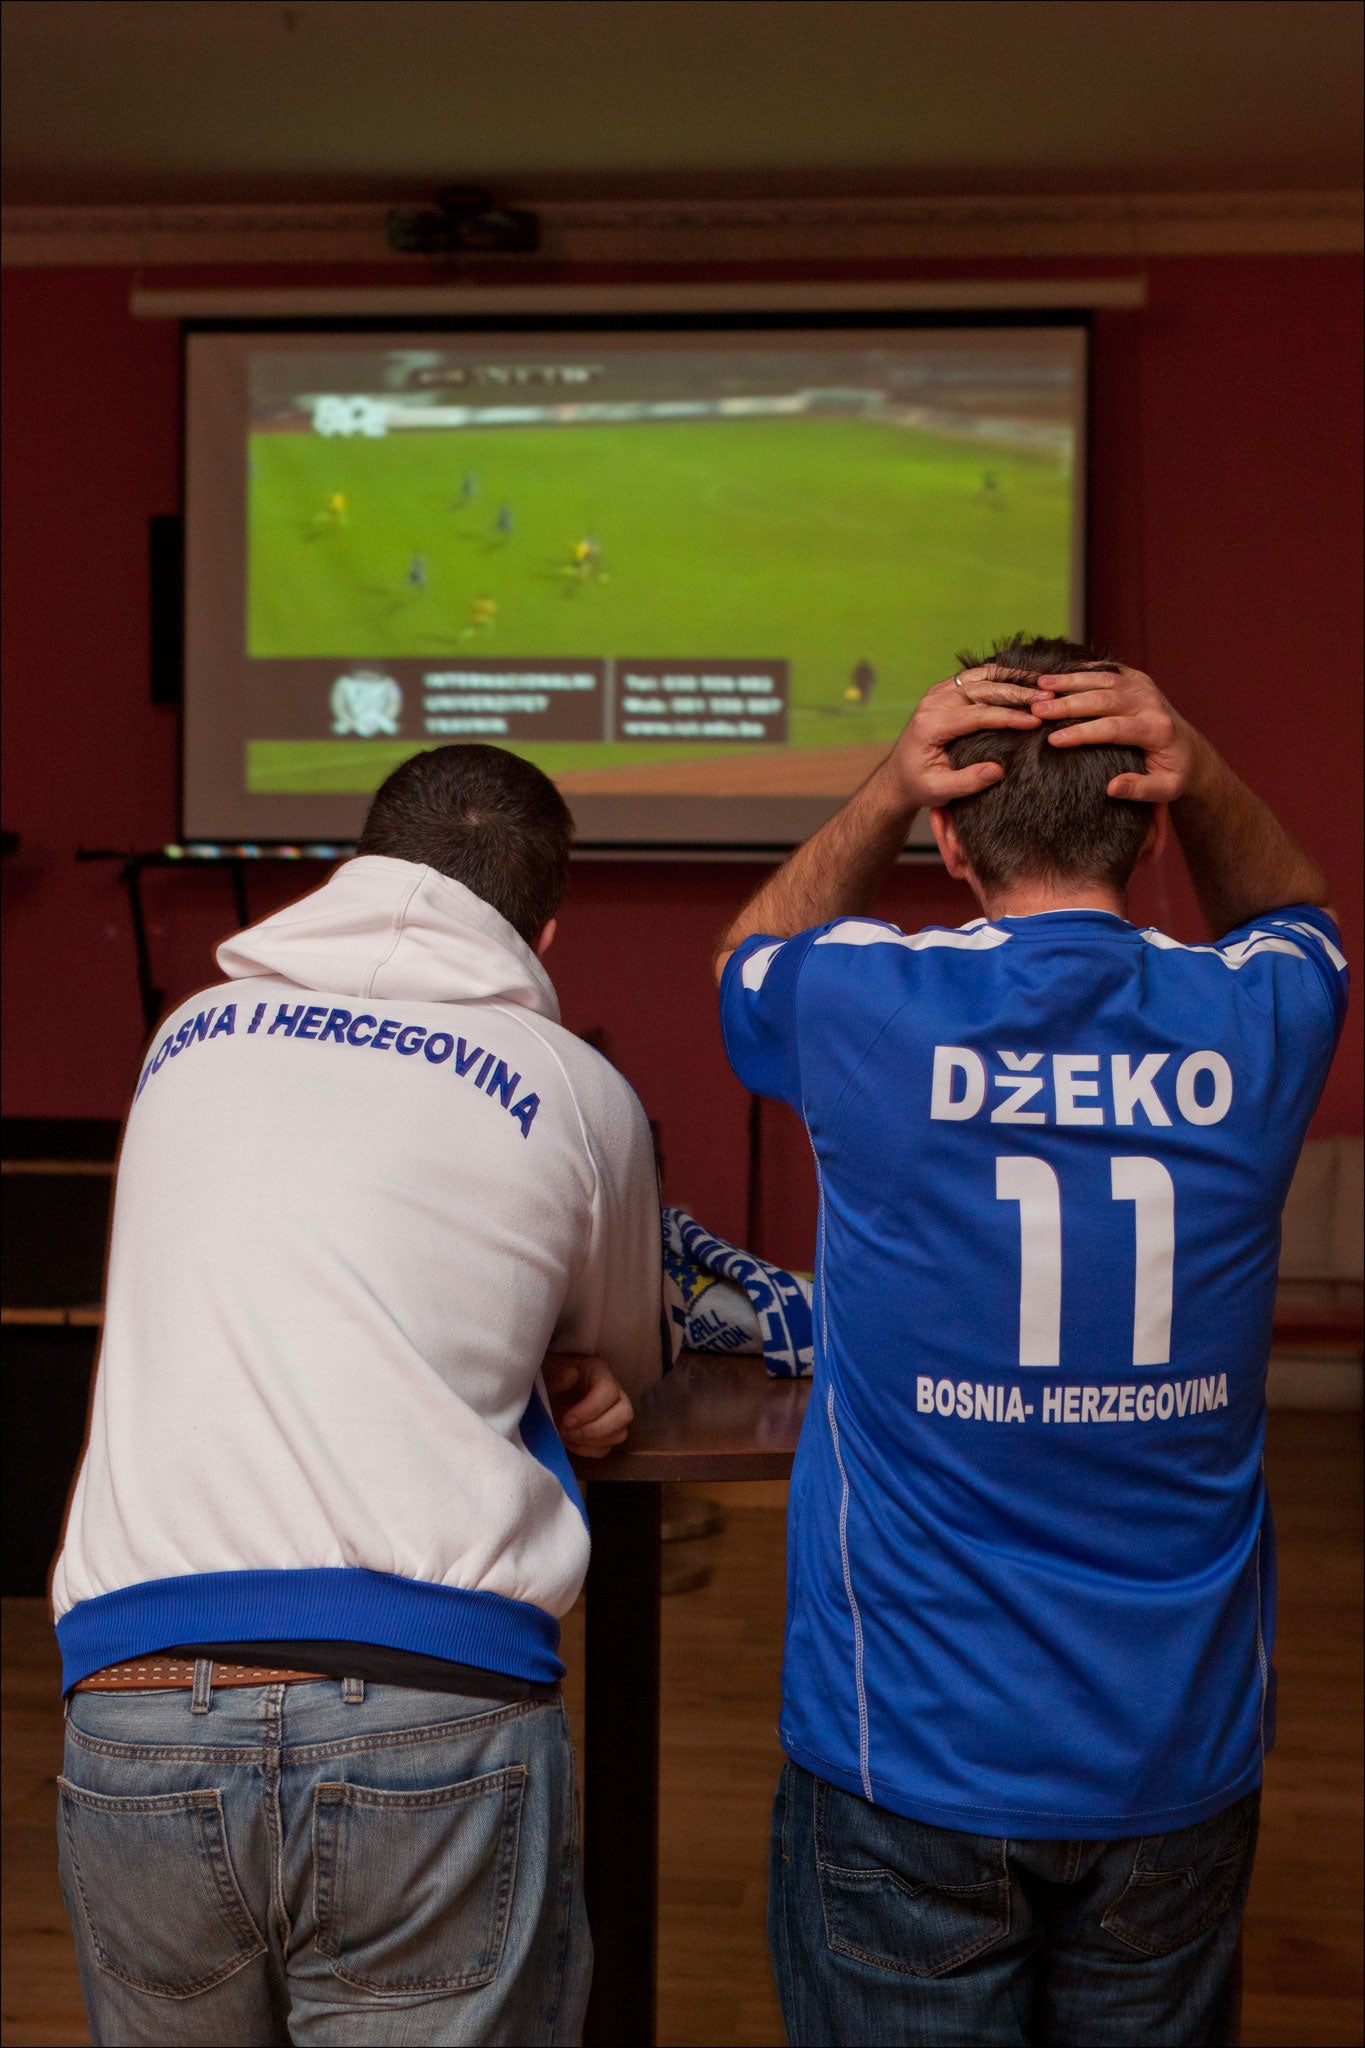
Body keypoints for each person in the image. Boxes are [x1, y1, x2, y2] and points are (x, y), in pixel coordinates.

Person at [714, 637, 1347, 2048]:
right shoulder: (1260, 1012)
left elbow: (747, 956)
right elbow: (1300, 914)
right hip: (1170, 1758)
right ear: (1147, 814)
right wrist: (1207, 773)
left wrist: (881, 785)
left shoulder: (860, 1002)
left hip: (909, 1752)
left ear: (948, 831)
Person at [53, 744, 665, 2047]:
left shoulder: (185, 1040)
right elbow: (631, 1354)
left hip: (131, 1694)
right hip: (432, 1698)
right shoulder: (569, 1083)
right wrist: (567, 1367)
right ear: (539, 929)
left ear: (354, 873)